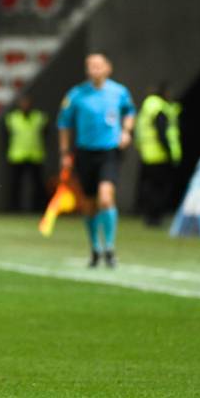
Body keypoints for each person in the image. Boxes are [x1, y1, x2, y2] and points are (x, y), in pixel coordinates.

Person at [58, 53, 135, 268]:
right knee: (89, 203)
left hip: (109, 151)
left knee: (106, 198)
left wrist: (127, 131)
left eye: (98, 65)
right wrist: (64, 153)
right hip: (85, 152)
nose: (95, 69)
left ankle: (109, 247)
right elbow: (64, 124)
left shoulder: (119, 92)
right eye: (90, 66)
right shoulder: (76, 95)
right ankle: (95, 248)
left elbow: (130, 111)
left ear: (108, 68)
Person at [135, 83, 181, 226]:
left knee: (149, 186)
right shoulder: (159, 108)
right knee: (159, 188)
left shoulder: (147, 107)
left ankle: (148, 215)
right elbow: (162, 133)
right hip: (160, 154)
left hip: (147, 153)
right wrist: (169, 151)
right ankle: (155, 217)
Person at [5, 95, 47, 212]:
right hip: (17, 155)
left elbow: (46, 133)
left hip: (35, 155)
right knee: (16, 185)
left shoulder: (39, 117)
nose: (25, 106)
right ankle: (14, 208)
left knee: (37, 184)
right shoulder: (12, 118)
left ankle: (38, 208)